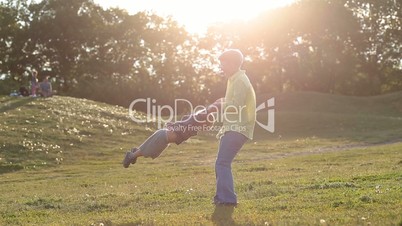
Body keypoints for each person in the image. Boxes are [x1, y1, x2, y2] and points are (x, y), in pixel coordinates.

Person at [209, 49, 256, 206]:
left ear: (234, 63)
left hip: (239, 128)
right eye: (220, 63)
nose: (221, 66)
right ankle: (222, 198)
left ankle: (227, 200)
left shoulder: (240, 80)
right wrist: (221, 101)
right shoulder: (233, 79)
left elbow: (236, 105)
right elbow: (233, 101)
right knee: (222, 162)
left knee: (222, 163)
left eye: (224, 63)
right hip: (232, 126)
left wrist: (220, 104)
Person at [122, 110, 215, 168]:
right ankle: (131, 156)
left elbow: (184, 121)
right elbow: (197, 117)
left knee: (152, 152)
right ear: (203, 121)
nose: (205, 128)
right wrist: (209, 111)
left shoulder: (193, 128)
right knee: (148, 151)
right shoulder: (193, 122)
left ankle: (135, 152)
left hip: (164, 138)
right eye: (206, 125)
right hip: (163, 136)